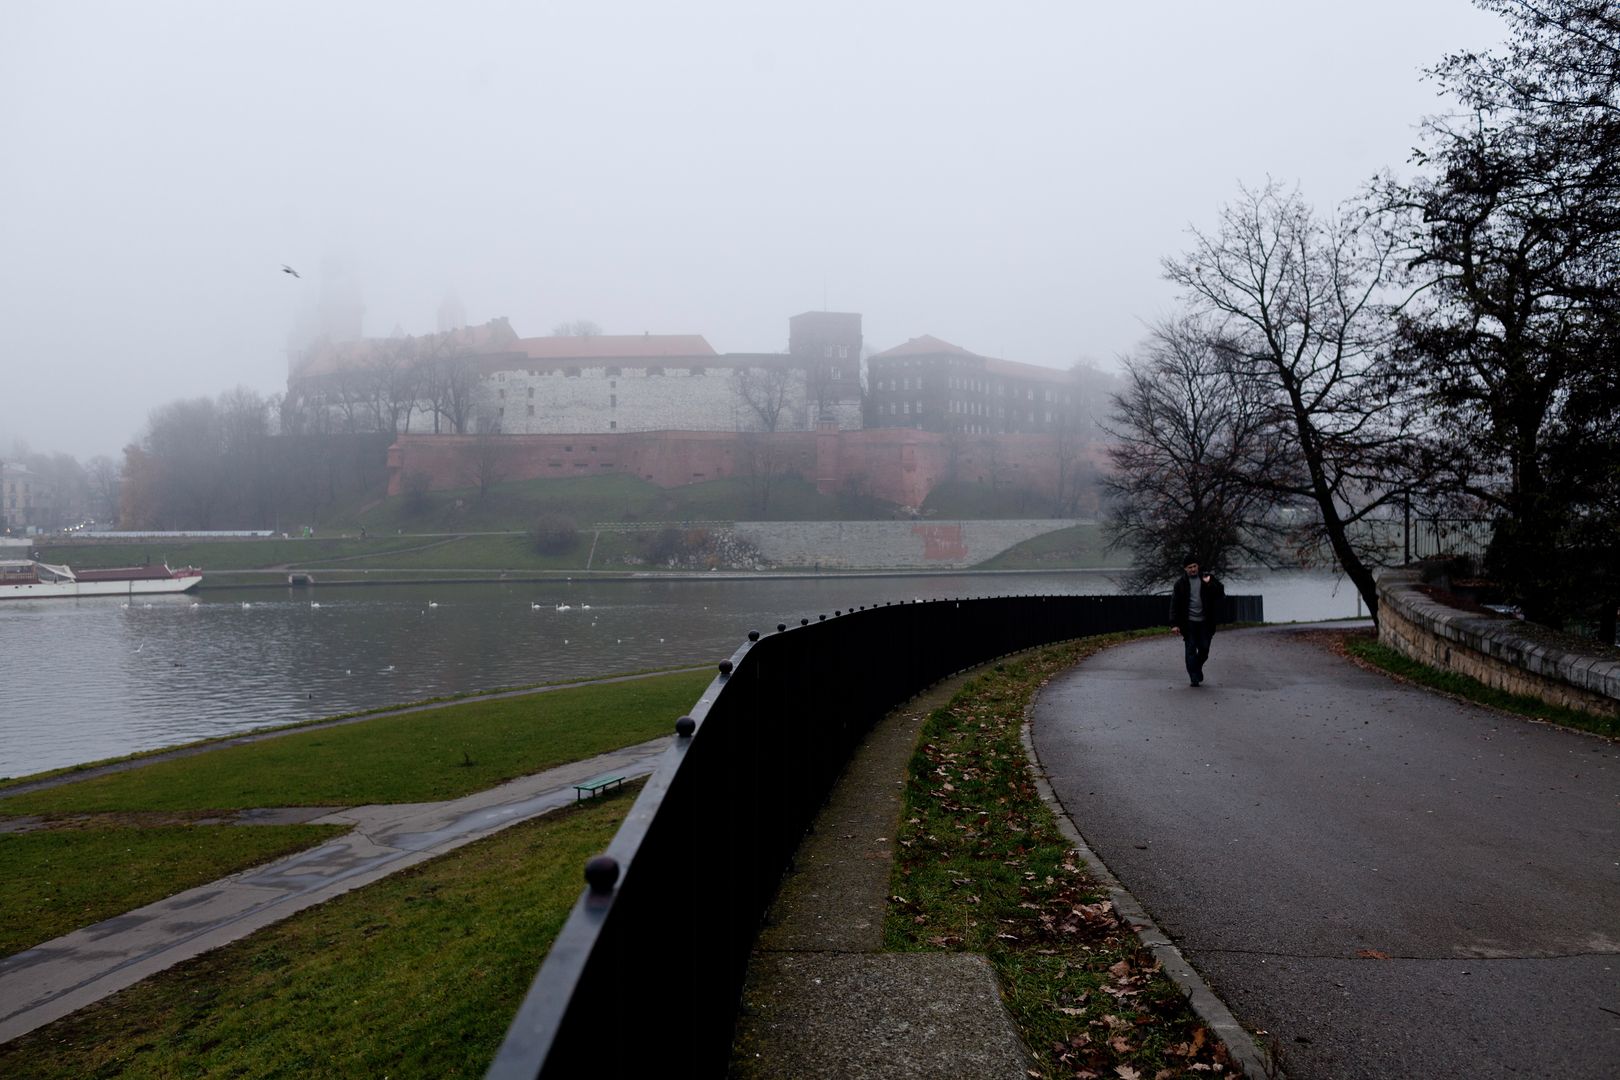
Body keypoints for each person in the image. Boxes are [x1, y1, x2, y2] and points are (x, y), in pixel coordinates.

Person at [1169, 556, 1226, 686]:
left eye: (1194, 566)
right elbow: (1174, 604)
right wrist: (1174, 624)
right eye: (1190, 567)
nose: (1193, 569)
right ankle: (1194, 678)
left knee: (1204, 649)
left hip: (1205, 622)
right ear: (1185, 569)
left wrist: (1209, 583)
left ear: (1197, 566)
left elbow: (1220, 593)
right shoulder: (1180, 584)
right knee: (1190, 649)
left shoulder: (1207, 578)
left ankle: (1197, 667)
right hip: (1188, 622)